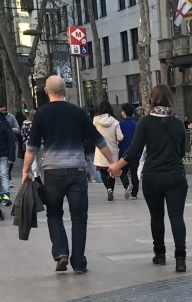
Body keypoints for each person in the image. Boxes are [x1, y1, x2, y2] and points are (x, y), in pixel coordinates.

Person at [20, 75, 114, 274]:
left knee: (54, 213)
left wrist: (25, 170)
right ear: (65, 91)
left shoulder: (41, 113)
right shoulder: (78, 112)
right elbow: (98, 140)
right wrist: (113, 162)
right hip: (77, 171)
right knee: (79, 218)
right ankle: (79, 263)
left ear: (46, 91)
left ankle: (61, 252)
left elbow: (32, 147)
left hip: (52, 171)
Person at [108, 84, 191, 273]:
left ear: (152, 99)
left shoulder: (145, 122)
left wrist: (117, 166)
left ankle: (160, 254)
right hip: (176, 175)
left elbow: (134, 150)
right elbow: (182, 152)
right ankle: (180, 258)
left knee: (156, 216)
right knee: (177, 216)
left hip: (153, 176)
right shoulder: (178, 123)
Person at [90, 102, 123, 202]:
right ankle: (111, 189)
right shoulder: (115, 122)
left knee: (102, 171)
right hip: (112, 150)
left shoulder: (95, 120)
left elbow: (92, 133)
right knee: (112, 171)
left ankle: (108, 189)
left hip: (101, 149)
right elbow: (120, 137)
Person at [118, 103, 138, 198]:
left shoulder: (119, 124)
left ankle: (126, 185)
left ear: (124, 112)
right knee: (134, 173)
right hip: (135, 152)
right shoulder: (136, 124)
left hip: (123, 151)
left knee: (122, 171)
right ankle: (134, 193)